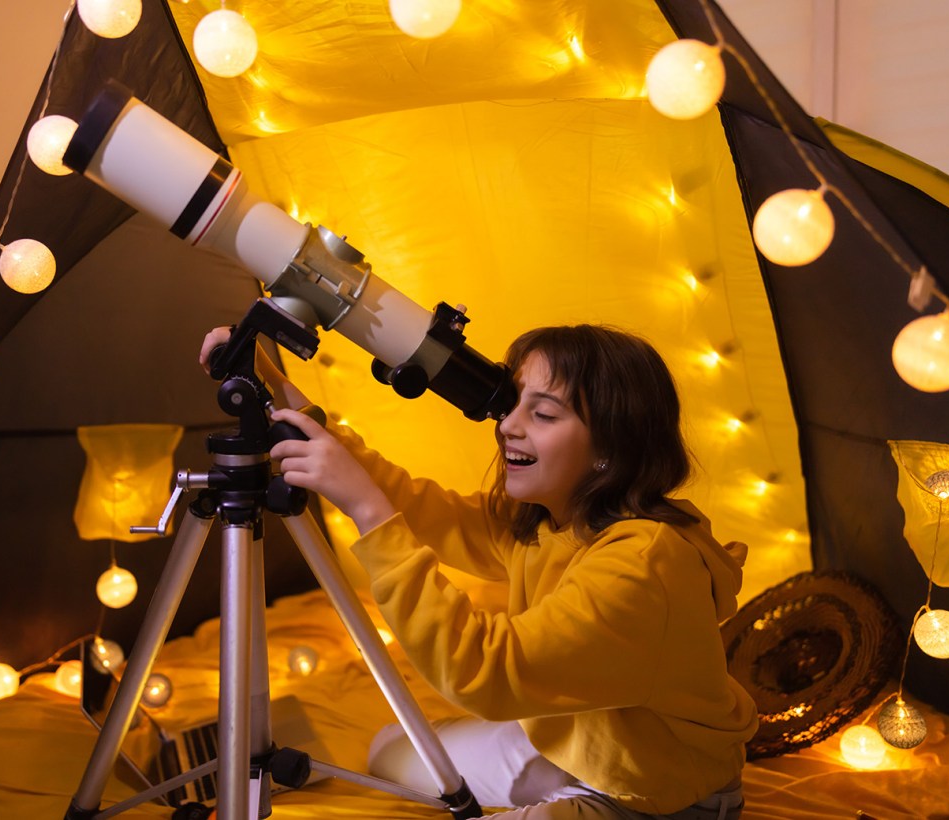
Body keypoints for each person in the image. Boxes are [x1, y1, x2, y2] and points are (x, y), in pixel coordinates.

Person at [199, 324, 757, 819]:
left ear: (609, 448)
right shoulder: (551, 519)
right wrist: (275, 393)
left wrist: (369, 513)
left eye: (542, 414)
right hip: (576, 743)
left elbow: (486, 671)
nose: (508, 427)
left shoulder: (642, 566)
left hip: (653, 795)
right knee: (387, 752)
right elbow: (419, 510)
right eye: (514, 406)